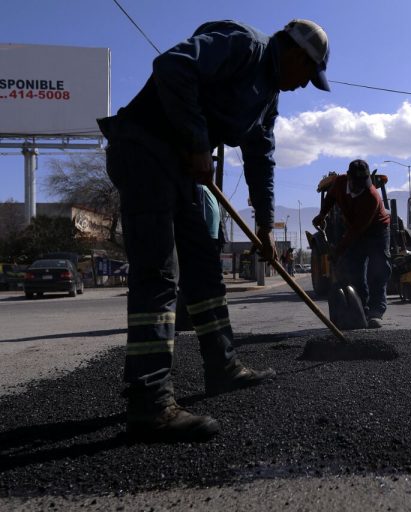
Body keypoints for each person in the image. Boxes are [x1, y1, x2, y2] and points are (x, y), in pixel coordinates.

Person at [97, 19, 331, 442]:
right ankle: (149, 403)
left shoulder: (270, 96)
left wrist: (263, 223)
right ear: (295, 53)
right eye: (307, 75)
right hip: (145, 149)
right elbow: (172, 66)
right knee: (159, 273)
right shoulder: (244, 46)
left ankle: (223, 367)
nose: (303, 86)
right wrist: (198, 142)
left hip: (183, 167)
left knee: (204, 268)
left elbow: (262, 156)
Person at [312, 159, 392, 328]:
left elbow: (356, 230)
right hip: (354, 227)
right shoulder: (340, 182)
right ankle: (361, 310)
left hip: (376, 229)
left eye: (365, 182)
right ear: (348, 177)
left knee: (378, 268)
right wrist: (322, 215)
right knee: (355, 270)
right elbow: (331, 197)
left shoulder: (371, 196)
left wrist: (338, 250)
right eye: (358, 183)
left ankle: (376, 311)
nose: (362, 186)